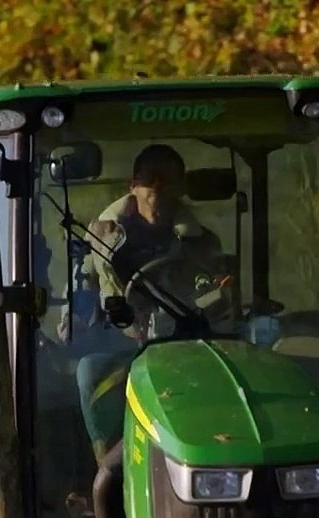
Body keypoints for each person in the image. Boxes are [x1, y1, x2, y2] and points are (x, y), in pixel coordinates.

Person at [65, 143, 228, 466]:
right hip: (119, 347)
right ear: (132, 185)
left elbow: (215, 296)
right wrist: (83, 314)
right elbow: (80, 294)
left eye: (167, 179)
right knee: (88, 373)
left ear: (181, 188)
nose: (157, 186)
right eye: (149, 178)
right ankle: (105, 468)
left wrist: (217, 299)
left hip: (186, 348)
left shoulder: (202, 242)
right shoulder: (100, 237)